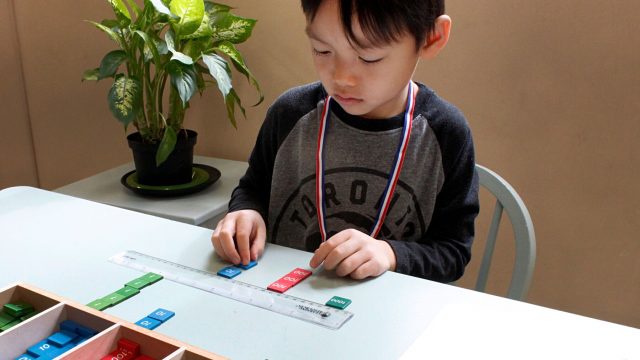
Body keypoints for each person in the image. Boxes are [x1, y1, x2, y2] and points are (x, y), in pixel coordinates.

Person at [211, 0, 479, 283]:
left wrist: (390, 254)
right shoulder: (289, 114)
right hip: (280, 295)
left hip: (385, 313)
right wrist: (245, 212)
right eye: (322, 50)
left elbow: (453, 251)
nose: (341, 78)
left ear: (431, 37)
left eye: (369, 57)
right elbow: (253, 188)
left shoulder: (447, 133)